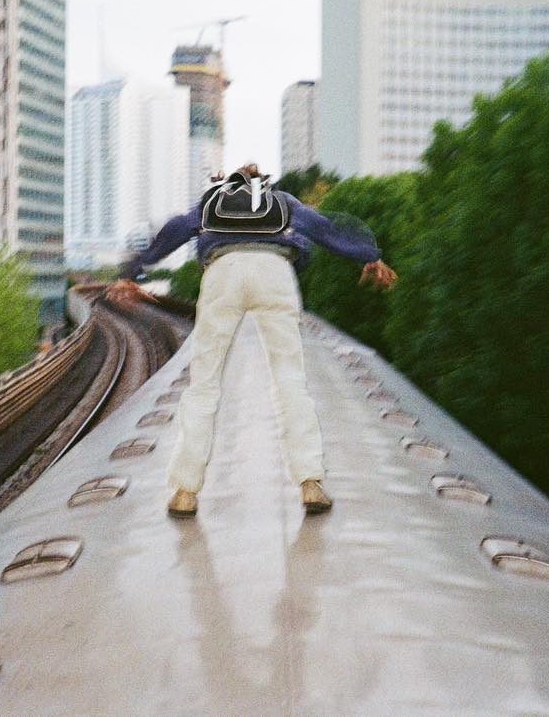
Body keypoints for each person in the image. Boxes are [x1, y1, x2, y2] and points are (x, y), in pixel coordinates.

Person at [108, 164, 397, 518]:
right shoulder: (281, 201)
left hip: (221, 274)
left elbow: (177, 229)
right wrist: (368, 255)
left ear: (229, 183)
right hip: (275, 273)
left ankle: (184, 491)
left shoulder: (212, 202)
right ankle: (310, 484)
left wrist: (134, 271)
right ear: (262, 183)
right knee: (289, 379)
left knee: (204, 384)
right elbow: (325, 227)